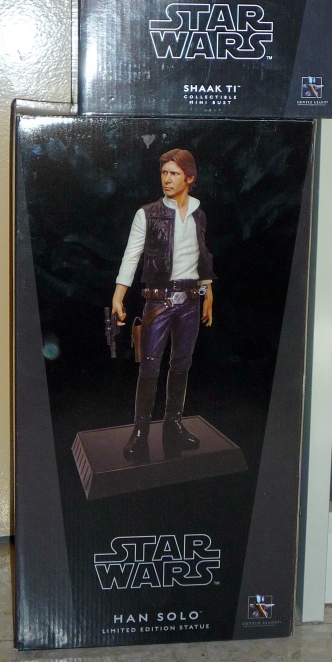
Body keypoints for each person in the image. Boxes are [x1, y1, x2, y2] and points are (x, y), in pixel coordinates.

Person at [112, 149, 214, 463]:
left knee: (182, 363)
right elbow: (131, 255)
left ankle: (173, 425)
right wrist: (118, 295)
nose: (167, 179)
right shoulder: (147, 214)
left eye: (174, 173)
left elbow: (201, 256)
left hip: (190, 300)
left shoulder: (198, 213)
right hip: (158, 300)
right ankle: (140, 431)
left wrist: (207, 292)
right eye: (164, 173)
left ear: (189, 178)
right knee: (149, 365)